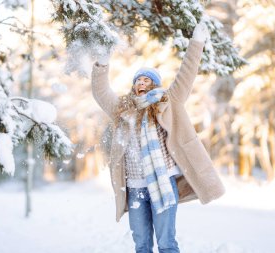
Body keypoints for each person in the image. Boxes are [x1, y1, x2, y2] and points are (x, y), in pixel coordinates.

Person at [91, 20, 225, 253]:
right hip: (135, 188)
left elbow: (186, 74)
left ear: (154, 85)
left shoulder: (168, 102)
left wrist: (197, 42)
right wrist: (102, 63)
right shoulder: (122, 109)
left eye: (146, 80)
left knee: (166, 243)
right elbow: (100, 92)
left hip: (164, 183)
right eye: (138, 80)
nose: (141, 83)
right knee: (141, 244)